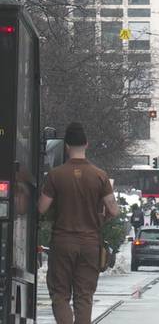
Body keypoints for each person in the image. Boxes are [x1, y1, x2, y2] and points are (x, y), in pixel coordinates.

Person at [38, 122, 120, 324]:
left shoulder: (56, 175)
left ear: (66, 146)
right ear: (87, 144)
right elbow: (113, 210)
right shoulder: (100, 176)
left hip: (63, 242)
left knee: (60, 294)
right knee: (84, 297)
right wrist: (100, 219)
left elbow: (41, 208)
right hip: (90, 243)